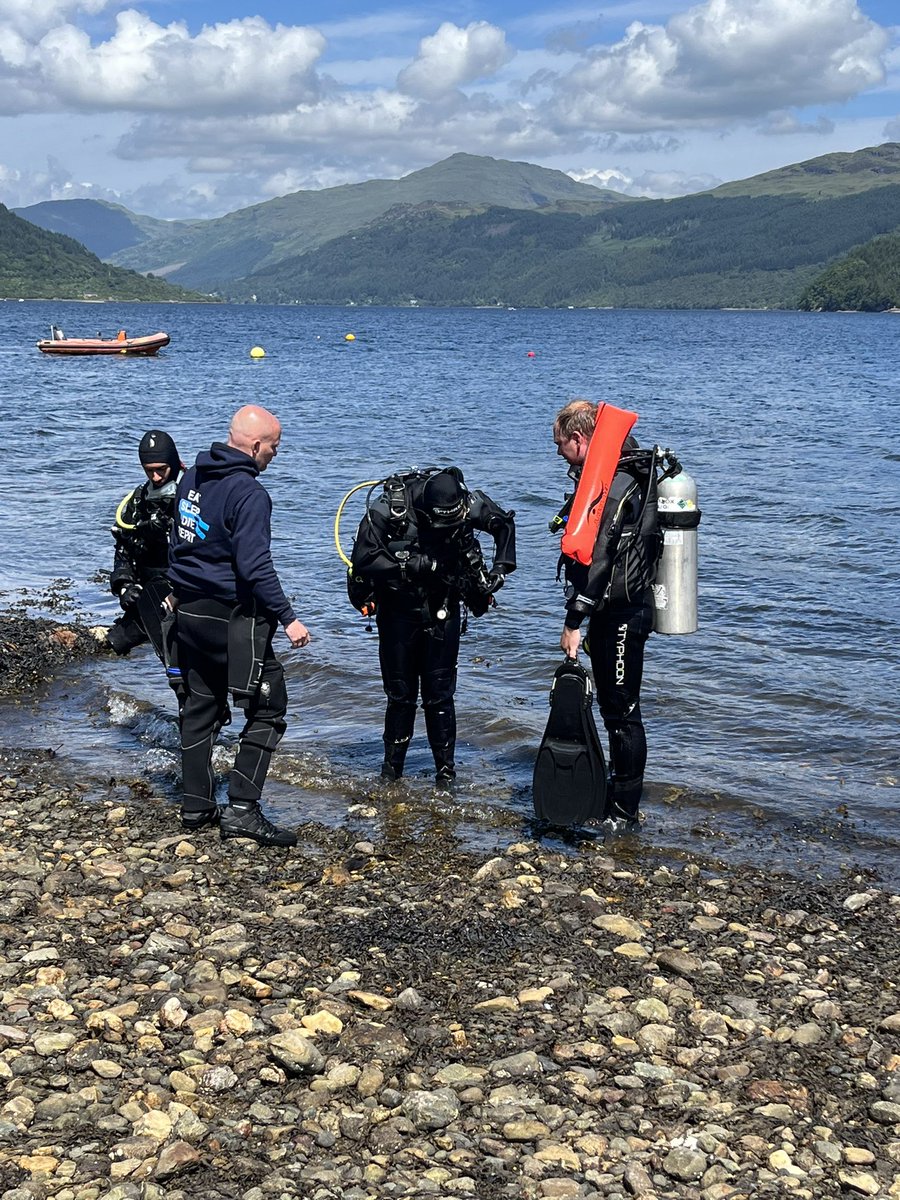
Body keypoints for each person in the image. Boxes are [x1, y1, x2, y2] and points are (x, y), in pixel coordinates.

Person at [167, 405, 311, 847]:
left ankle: (196, 805)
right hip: (230, 618)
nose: (275, 455)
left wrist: (175, 589)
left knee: (201, 705)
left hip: (188, 613)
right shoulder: (249, 493)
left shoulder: (192, 476)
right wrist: (288, 618)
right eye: (274, 447)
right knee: (269, 707)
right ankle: (243, 810)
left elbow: (177, 539)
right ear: (255, 445)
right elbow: (254, 567)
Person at [350, 467, 516, 786]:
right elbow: (363, 559)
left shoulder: (470, 505)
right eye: (440, 524)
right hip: (398, 611)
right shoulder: (390, 510)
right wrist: (416, 564)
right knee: (400, 697)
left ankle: (446, 774)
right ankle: (391, 773)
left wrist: (500, 569)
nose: (445, 529)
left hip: (443, 607)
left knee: (440, 696)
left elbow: (504, 525)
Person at [553, 399, 661, 824]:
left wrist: (573, 620)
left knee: (622, 712)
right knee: (614, 709)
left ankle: (623, 809)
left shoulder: (617, 483)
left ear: (580, 439)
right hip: (611, 607)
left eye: (560, 445)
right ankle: (614, 793)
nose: (559, 453)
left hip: (624, 613)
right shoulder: (613, 474)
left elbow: (601, 557)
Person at [107, 430, 183, 659]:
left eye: (162, 469)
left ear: (174, 463)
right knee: (116, 642)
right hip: (150, 592)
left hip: (185, 591)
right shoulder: (139, 501)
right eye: (149, 470)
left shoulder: (192, 496)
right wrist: (124, 586)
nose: (156, 477)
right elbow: (123, 550)